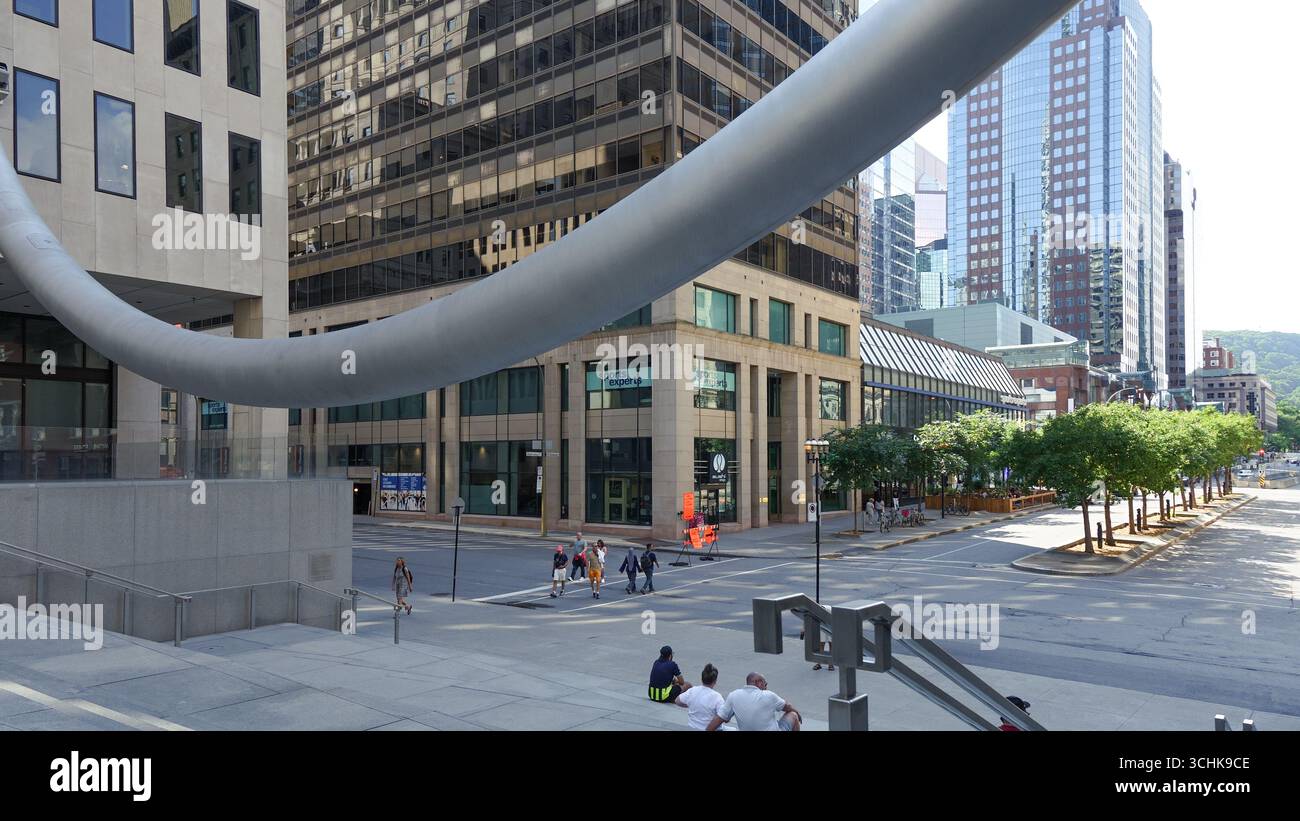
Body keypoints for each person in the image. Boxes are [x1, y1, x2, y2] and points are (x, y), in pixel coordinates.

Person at [706, 672, 801, 732]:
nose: (766, 687)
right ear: (759, 682)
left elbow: (719, 719)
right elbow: (787, 706)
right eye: (765, 684)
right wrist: (796, 711)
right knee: (793, 715)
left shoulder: (733, 695)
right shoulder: (768, 695)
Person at [675, 663, 732, 730]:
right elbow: (725, 718)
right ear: (715, 681)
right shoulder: (717, 697)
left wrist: (690, 704)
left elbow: (677, 701)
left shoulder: (693, 690)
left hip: (692, 728)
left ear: (702, 679)